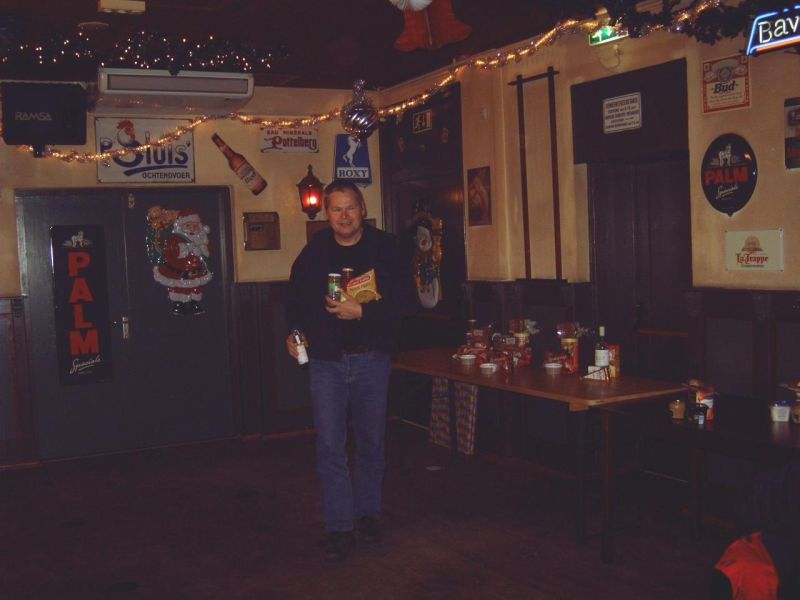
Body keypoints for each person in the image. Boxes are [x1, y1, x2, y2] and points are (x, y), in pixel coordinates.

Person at [285, 179, 417, 562]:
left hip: (372, 360)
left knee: (371, 441)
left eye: (351, 208)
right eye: (337, 209)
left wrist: (364, 311)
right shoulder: (314, 252)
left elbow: (407, 303)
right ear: (327, 213)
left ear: (363, 210)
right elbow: (295, 303)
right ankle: (340, 527)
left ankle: (368, 515)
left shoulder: (386, 248)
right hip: (325, 362)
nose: (344, 216)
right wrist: (294, 334)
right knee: (330, 445)